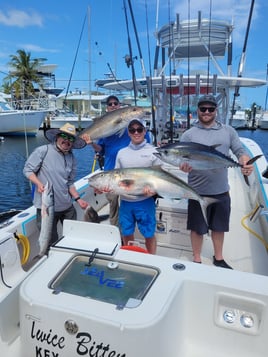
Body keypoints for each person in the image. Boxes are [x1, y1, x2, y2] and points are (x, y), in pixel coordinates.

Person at [179, 94, 254, 268]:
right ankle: (197, 258)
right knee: (197, 228)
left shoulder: (228, 131)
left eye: (210, 109)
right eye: (203, 108)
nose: (206, 112)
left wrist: (244, 161)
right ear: (197, 110)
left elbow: (239, 150)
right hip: (196, 190)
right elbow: (182, 160)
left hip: (221, 190)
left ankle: (218, 258)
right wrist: (183, 166)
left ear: (216, 111)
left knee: (219, 227)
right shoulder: (189, 134)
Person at [82, 95, 150, 227]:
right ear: (107, 108)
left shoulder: (134, 128)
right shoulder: (105, 127)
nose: (113, 105)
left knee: (130, 203)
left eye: (115, 103)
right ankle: (115, 231)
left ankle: (129, 229)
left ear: (120, 107)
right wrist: (90, 143)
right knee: (113, 205)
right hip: (110, 171)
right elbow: (100, 149)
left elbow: (146, 144)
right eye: (110, 104)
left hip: (129, 173)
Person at [23, 123, 88, 249]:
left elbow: (69, 182)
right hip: (46, 207)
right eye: (64, 136)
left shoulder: (72, 158)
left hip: (67, 206)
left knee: (73, 234)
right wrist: (38, 184)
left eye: (71, 139)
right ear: (57, 137)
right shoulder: (43, 151)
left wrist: (78, 199)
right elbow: (28, 170)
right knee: (50, 240)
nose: (67, 141)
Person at [114, 119, 161, 254]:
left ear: (144, 131)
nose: (136, 132)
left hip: (145, 201)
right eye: (132, 130)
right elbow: (116, 176)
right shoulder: (121, 153)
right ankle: (130, 256)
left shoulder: (154, 151)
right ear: (128, 133)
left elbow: (160, 177)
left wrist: (154, 190)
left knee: (149, 234)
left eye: (139, 129)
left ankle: (152, 258)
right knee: (126, 232)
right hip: (125, 202)